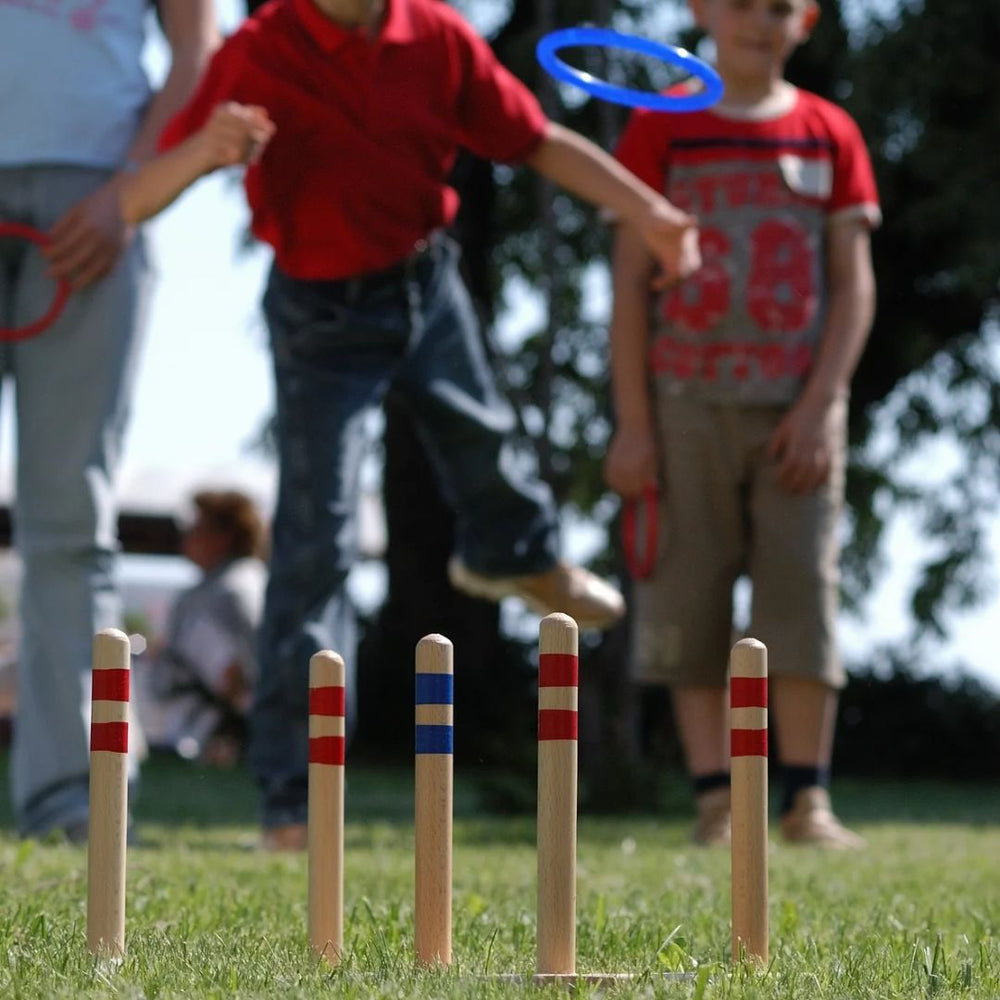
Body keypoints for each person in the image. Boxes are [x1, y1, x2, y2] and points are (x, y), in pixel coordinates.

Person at [118, 0, 703, 850]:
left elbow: (537, 141)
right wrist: (205, 151)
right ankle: (293, 799)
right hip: (319, 313)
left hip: (425, 283)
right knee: (313, 543)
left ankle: (521, 555)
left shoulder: (436, 37)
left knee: (482, 434)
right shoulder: (258, 51)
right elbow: (141, 194)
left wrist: (647, 210)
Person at [605, 0, 879, 848]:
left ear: (807, 19)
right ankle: (718, 800)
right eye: (741, 4)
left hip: (795, 411)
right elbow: (624, 288)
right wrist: (633, 423)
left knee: (800, 592)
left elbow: (854, 286)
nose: (760, 21)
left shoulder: (829, 132)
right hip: (683, 405)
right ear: (701, 11)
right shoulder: (663, 130)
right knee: (688, 594)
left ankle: (806, 801)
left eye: (779, 7)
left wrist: (824, 406)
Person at [0, 1, 219, 841]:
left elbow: (199, 49)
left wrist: (128, 189)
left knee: (68, 518)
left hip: (93, 204)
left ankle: (70, 804)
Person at [135, 490, 268, 767]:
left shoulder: (228, 591)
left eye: (197, 528)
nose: (187, 537)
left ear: (224, 536)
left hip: (211, 736)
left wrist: (231, 737)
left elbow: (235, 677)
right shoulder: (247, 580)